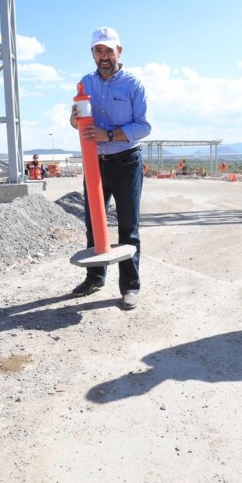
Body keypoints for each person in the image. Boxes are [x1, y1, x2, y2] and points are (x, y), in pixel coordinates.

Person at [69, 26, 151, 310]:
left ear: (119, 51)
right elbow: (78, 123)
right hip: (94, 164)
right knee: (94, 224)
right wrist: (75, 119)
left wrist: (111, 135)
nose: (104, 56)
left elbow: (143, 126)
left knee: (128, 227)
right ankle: (95, 278)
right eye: (98, 51)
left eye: (109, 50)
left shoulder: (133, 84)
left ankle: (130, 287)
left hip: (125, 160)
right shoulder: (85, 83)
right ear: (93, 53)